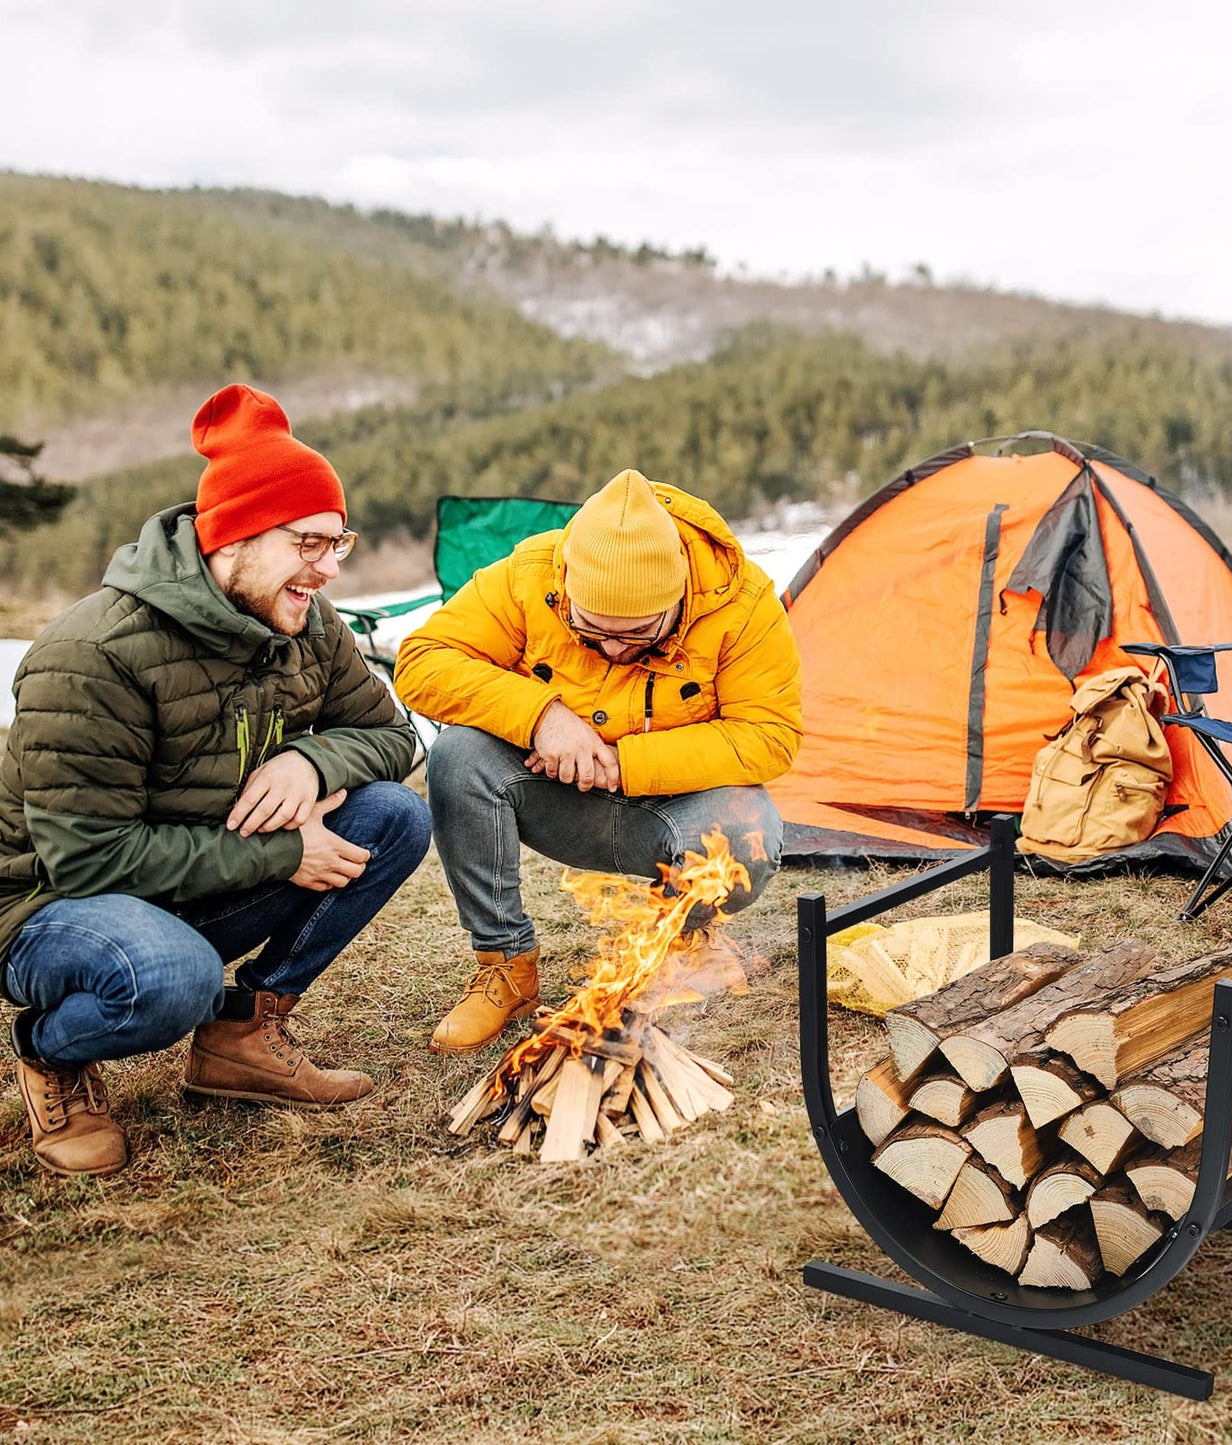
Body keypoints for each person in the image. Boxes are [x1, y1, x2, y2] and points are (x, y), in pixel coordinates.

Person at [0, 384, 432, 1178]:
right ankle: (48, 1051)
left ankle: (241, 1035)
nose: (329, 568)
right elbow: (88, 860)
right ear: (233, 535)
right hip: (53, 907)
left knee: (392, 817)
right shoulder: (93, 654)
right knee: (172, 976)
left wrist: (312, 760)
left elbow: (389, 734)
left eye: (340, 543)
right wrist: (280, 856)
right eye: (310, 542)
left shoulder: (302, 619)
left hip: (190, 879)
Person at [393, 468, 802, 1055]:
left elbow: (771, 735)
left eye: (637, 634)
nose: (611, 649)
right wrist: (543, 716)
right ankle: (505, 966)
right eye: (590, 632)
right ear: (567, 588)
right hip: (555, 796)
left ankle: (685, 944)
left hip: (676, 808)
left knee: (748, 828)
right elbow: (423, 662)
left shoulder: (743, 604)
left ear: (678, 598)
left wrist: (623, 762)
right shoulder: (530, 576)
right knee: (458, 755)